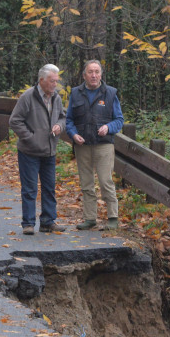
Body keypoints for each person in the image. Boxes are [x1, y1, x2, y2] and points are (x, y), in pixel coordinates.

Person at [9, 64, 67, 235]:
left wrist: (59, 126)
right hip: (30, 151)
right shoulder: (28, 96)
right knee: (30, 188)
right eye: (51, 81)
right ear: (41, 80)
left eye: (56, 81)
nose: (54, 84)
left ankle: (48, 222)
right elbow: (15, 121)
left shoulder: (56, 97)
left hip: (49, 150)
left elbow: (63, 118)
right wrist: (30, 138)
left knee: (49, 187)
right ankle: (28, 223)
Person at [65, 60, 124, 230]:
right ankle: (90, 218)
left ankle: (113, 217)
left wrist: (108, 127)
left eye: (97, 71)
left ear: (101, 74)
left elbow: (119, 120)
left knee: (106, 181)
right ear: (84, 75)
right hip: (82, 145)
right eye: (90, 72)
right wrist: (73, 134)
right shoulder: (76, 93)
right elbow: (69, 120)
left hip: (103, 145)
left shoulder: (110, 93)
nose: (93, 75)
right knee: (86, 183)